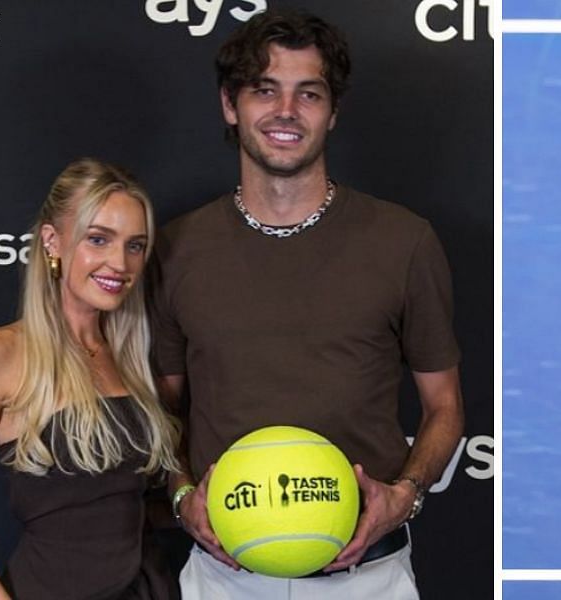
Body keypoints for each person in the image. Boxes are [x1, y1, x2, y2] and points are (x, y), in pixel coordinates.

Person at [146, 8, 464, 599]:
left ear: (333, 112)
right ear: (229, 105)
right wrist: (181, 494)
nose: (285, 112)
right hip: (224, 581)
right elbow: (163, 408)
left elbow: (444, 408)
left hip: (369, 578)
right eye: (265, 90)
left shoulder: (404, 241)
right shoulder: (176, 247)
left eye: (308, 94)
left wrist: (406, 494)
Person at [0, 158, 181, 600]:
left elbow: (123, 502)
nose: (119, 263)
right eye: (98, 239)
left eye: (135, 245)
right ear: (52, 241)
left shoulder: (133, 357)